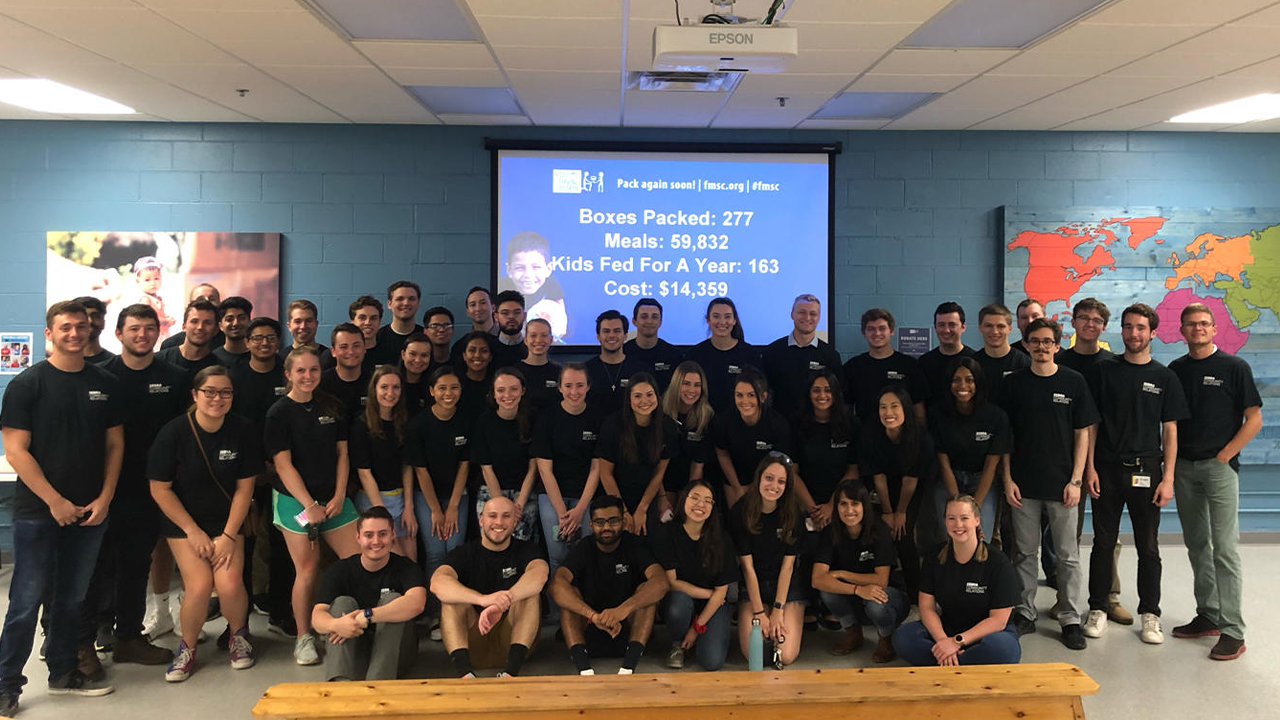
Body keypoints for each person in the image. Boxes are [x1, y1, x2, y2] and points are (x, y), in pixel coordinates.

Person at [0, 301, 123, 712]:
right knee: (25, 602)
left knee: (71, 599)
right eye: (66, 327)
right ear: (50, 333)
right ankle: (7, 685)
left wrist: (104, 499)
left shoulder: (104, 382)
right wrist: (54, 501)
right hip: (39, 513)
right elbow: (16, 450)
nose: (75, 333)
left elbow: (115, 444)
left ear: (91, 331)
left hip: (91, 512)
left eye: (82, 326)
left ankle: (63, 672)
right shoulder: (28, 384)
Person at [84, 304, 186, 672]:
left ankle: (128, 636)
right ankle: (86, 642)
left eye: (149, 328)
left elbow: (182, 436)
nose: (142, 335)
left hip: (151, 490)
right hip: (102, 490)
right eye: (134, 329)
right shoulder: (98, 376)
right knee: (96, 567)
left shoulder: (174, 378)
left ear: (158, 332)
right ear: (119, 334)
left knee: (135, 565)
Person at [1084, 303, 1189, 644]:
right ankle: (1098, 607)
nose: (1133, 333)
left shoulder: (1165, 377)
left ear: (1152, 333)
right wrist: (1089, 468)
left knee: (1149, 547)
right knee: (1102, 543)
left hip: (1148, 472)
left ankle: (1150, 614)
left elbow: (1170, 430)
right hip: (1107, 471)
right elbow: (1091, 425)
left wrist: (1168, 477)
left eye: (1141, 328)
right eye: (1128, 327)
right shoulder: (1104, 371)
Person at [148, 366, 258, 682]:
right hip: (184, 523)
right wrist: (192, 531)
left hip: (227, 522)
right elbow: (160, 489)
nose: (217, 398)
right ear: (196, 395)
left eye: (225, 392)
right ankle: (188, 648)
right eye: (209, 391)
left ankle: (238, 636)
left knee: (229, 583)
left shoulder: (244, 430)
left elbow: (244, 489)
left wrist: (227, 535)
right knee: (198, 586)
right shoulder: (173, 433)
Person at [1169, 303, 1263, 661]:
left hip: (1219, 468)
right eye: (1191, 324)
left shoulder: (1234, 367)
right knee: (1197, 545)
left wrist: (1225, 454)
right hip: (1184, 469)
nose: (1198, 329)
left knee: (1224, 548)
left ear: (1213, 329)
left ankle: (1233, 631)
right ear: (1182, 330)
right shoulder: (1176, 370)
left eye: (1204, 324)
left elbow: (1253, 418)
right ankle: (1207, 613)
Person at [1002, 318, 1095, 650]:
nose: (1041, 347)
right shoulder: (1013, 385)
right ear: (1025, 345)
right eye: (1035, 341)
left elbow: (1082, 433)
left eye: (1047, 342)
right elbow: (1005, 438)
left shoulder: (1074, 382)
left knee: (1067, 556)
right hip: (1023, 486)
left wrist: (1076, 480)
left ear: (1058, 345)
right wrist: (1008, 478)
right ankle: (1025, 613)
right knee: (1024, 553)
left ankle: (1070, 617)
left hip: (1063, 487)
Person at [264, 346, 361, 665]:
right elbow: (283, 465)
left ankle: (351, 624)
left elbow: (343, 455)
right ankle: (304, 637)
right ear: (288, 374)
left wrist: (337, 496)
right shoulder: (278, 413)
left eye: (314, 370)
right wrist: (310, 504)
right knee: (306, 569)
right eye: (301, 371)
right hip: (297, 502)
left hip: (334, 499)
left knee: (358, 561)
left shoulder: (332, 406)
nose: (308, 376)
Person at [1055, 297, 1129, 625]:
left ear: (1103, 326)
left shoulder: (1114, 365)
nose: (1089, 324)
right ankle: (1065, 599)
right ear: (1073, 323)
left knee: (1107, 534)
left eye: (1096, 320)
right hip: (1064, 463)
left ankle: (1108, 597)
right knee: (1067, 537)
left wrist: (1094, 466)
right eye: (1083, 318)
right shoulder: (1059, 361)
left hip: (1106, 463)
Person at [892, 495, 1021, 666]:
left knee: (1002, 649)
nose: (958, 525)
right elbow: (926, 607)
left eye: (964, 518)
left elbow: (998, 620)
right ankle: (962, 664)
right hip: (948, 630)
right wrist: (943, 641)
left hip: (989, 634)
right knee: (903, 637)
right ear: (944, 521)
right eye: (951, 518)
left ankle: (945, 664)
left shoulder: (998, 562)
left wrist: (956, 642)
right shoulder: (934, 557)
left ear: (976, 520)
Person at [550, 495, 669, 675]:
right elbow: (557, 584)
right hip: (590, 629)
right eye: (600, 521)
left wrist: (623, 609)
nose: (606, 527)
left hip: (628, 631)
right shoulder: (584, 547)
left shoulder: (634, 545)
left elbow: (661, 582)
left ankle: (628, 669)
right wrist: (593, 616)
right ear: (591, 525)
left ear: (623, 521)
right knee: (569, 593)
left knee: (646, 591)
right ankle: (584, 671)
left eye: (613, 521)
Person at [432, 497, 548, 678]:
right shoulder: (465, 552)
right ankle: (465, 675)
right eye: (492, 516)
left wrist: (501, 603)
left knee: (530, 596)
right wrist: (482, 600)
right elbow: (437, 583)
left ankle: (511, 674)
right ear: (481, 520)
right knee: (451, 600)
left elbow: (539, 575)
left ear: (515, 520)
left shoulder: (527, 550)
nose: (499, 522)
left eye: (506, 516)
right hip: (473, 644)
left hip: (512, 642)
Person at [311, 507, 428, 681]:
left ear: (393, 534)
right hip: (356, 653)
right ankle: (339, 685)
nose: (376, 541)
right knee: (342, 603)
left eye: (382, 534)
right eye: (368, 535)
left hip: (395, 656)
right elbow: (317, 616)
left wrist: (368, 615)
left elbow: (417, 603)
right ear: (358, 537)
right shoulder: (340, 570)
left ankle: (378, 686)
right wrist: (336, 624)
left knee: (394, 600)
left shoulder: (406, 568)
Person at [227, 317, 290, 633]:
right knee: (245, 543)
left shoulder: (288, 372)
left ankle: (281, 610)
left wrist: (276, 466)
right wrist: (254, 468)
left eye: (271, 338)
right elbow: (232, 427)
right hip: (245, 474)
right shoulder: (235, 377)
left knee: (282, 543)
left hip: (283, 472)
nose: (265, 343)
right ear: (248, 342)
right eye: (258, 338)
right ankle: (240, 618)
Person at [405, 366, 472, 634]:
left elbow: (465, 467)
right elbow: (420, 471)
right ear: (432, 391)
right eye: (442, 388)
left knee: (454, 552)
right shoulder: (418, 425)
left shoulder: (466, 421)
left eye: (454, 387)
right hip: (427, 497)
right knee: (434, 553)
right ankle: (435, 614)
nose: (448, 393)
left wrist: (453, 506)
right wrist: (435, 510)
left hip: (458, 496)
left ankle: (456, 610)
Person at [812, 481, 907, 662]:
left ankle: (886, 638)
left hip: (890, 596)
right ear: (836, 507)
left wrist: (841, 574)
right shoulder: (829, 532)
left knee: (875, 601)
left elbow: (881, 580)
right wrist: (857, 589)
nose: (849, 510)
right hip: (856, 594)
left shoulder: (879, 530)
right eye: (843, 504)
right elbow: (817, 579)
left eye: (855, 503)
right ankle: (852, 633)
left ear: (865, 506)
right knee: (827, 589)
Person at [860, 386, 934, 602]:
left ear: (906, 409)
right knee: (880, 532)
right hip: (880, 489)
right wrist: (887, 512)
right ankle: (880, 586)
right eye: (883, 407)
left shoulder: (920, 438)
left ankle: (915, 595)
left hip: (910, 488)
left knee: (903, 534)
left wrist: (900, 512)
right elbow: (878, 477)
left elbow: (910, 480)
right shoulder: (870, 432)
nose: (888, 412)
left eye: (894, 406)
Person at [534, 363, 603, 592]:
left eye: (580, 385)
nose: (574, 391)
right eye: (569, 385)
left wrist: (580, 509)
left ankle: (584, 611)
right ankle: (558, 614)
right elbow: (545, 470)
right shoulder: (547, 418)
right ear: (560, 388)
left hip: (586, 497)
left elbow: (596, 468)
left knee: (585, 554)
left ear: (588, 387)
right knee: (557, 556)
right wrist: (562, 512)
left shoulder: (597, 417)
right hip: (552, 496)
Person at [731, 453, 805, 666]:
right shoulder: (741, 511)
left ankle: (785, 626)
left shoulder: (793, 513)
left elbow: (788, 567)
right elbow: (747, 567)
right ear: (759, 478)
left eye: (781, 481)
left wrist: (778, 611)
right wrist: (759, 612)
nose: (774, 485)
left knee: (786, 655)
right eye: (769, 478)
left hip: (787, 587)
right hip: (754, 585)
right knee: (754, 655)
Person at [657, 479, 734, 671]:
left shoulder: (722, 538)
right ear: (683, 500)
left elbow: (721, 593)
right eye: (695, 498)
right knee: (679, 603)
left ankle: (697, 637)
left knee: (711, 662)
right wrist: (709, 594)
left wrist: (696, 629)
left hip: (714, 606)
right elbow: (672, 582)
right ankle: (677, 644)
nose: (701, 505)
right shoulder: (669, 533)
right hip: (682, 600)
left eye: (708, 501)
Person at [928, 357, 1007, 541]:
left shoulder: (995, 416)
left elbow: (991, 465)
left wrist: (973, 508)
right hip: (949, 478)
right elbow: (943, 463)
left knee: (980, 536)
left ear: (978, 382)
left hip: (982, 479)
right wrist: (957, 504)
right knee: (952, 534)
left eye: (969, 380)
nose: (962, 385)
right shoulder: (938, 414)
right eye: (956, 380)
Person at [596, 372, 680, 534]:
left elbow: (659, 473)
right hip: (614, 495)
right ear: (629, 399)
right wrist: (623, 512)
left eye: (650, 394)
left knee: (648, 539)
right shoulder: (612, 425)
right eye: (637, 396)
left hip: (647, 495)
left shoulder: (667, 426)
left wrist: (642, 508)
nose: (644, 401)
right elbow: (606, 474)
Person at [350, 366, 417, 561]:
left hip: (401, 500)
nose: (390, 393)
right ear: (374, 390)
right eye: (384, 387)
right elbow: (364, 473)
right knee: (391, 561)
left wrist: (409, 507)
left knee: (410, 562)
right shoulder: (361, 425)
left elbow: (407, 467)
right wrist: (383, 517)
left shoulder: (404, 422)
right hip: (372, 501)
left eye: (395, 387)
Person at [471, 367, 539, 541]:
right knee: (492, 541)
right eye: (501, 390)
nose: (507, 395)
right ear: (493, 393)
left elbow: (534, 467)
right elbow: (486, 468)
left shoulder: (533, 419)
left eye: (513, 389)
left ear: (522, 390)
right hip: (491, 491)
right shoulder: (484, 422)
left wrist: (518, 506)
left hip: (524, 493)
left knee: (520, 545)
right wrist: (501, 505)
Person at [711, 368, 792, 507]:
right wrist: (737, 488)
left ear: (763, 396)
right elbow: (722, 455)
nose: (745, 401)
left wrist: (757, 489)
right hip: (734, 480)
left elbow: (781, 464)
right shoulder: (724, 422)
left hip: (766, 482)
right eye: (739, 395)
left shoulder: (777, 425)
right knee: (737, 519)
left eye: (751, 395)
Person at [792, 370, 858, 531]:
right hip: (805, 502)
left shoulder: (851, 424)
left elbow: (853, 471)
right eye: (816, 390)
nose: (822, 395)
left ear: (836, 393)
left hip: (841, 501)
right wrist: (813, 510)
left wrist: (831, 506)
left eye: (828, 390)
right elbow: (791, 473)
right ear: (809, 393)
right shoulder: (796, 424)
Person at [842, 308, 929, 426]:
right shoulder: (852, 367)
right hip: (864, 439)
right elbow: (846, 409)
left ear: (891, 331)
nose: (877, 333)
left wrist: (918, 439)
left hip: (902, 439)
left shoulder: (909, 365)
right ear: (864, 333)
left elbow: (918, 410)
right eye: (871, 329)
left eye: (882, 328)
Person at [761, 293, 841, 421]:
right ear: (792, 314)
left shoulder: (830, 355)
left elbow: (837, 396)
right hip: (782, 425)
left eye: (813, 313)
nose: (807, 317)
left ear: (819, 317)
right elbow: (764, 393)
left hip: (816, 427)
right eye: (802, 312)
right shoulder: (773, 352)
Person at [685, 297, 760, 412]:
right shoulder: (695, 355)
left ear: (734, 320)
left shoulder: (750, 355)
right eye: (716, 316)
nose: (722, 322)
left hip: (740, 422)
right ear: (708, 320)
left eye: (727, 317)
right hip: (703, 422)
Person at [659, 361, 713, 514]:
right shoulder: (659, 411)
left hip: (690, 483)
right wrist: (662, 497)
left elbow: (698, 466)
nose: (692, 390)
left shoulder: (707, 417)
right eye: (686, 384)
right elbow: (655, 463)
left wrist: (688, 499)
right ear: (676, 384)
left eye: (697, 385)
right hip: (660, 483)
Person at [500, 231, 568, 340]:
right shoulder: (502, 289)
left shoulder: (552, 285)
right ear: (509, 270)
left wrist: (557, 329)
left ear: (548, 269)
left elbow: (561, 323)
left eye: (536, 267)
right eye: (520, 268)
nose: (528, 275)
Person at [585, 310, 646, 416]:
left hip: (630, 429)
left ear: (625, 335)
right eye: (606, 331)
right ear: (598, 336)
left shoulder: (640, 370)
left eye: (617, 331)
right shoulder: (585, 370)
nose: (612, 335)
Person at [973, 303, 1030, 407]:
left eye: (1000, 326)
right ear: (980, 327)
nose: (994, 331)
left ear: (1009, 328)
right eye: (988, 326)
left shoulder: (1024, 364)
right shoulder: (973, 365)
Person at [918, 301, 975, 404]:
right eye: (941, 325)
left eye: (952, 325)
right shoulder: (924, 363)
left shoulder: (975, 360)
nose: (946, 330)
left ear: (963, 327)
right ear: (935, 327)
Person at [624, 298, 683, 392]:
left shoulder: (674, 356)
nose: (649, 321)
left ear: (660, 322)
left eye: (654, 317)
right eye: (644, 316)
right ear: (634, 321)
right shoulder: (623, 353)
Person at [319, 323, 371, 424]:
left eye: (356, 346)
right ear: (333, 351)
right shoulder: (320, 384)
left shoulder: (374, 383)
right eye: (344, 347)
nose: (351, 352)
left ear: (365, 349)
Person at [156, 299, 221, 377]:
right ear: (184, 326)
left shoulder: (219, 368)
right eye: (194, 321)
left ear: (216, 330)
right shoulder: (159, 360)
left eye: (207, 323)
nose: (200, 327)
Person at [517, 318, 562, 411]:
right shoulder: (515, 372)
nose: (538, 340)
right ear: (525, 340)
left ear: (551, 339)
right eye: (533, 335)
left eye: (544, 335)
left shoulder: (560, 372)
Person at [160, 283, 221, 350]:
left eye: (212, 299)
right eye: (200, 299)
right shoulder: (170, 345)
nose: (206, 302)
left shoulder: (229, 343)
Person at [455, 331, 497, 429]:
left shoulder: (497, 387)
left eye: (484, 351)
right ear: (464, 355)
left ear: (491, 357)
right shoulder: (455, 384)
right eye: (472, 350)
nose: (477, 355)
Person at [376, 281, 423, 362]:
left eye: (411, 299)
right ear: (389, 304)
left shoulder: (425, 336)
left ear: (418, 303)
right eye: (400, 299)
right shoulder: (377, 338)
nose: (406, 303)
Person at [131, 256, 175, 340]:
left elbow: (158, 314)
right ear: (138, 281)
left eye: (156, 279)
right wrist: (166, 321)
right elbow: (146, 318)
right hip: (152, 337)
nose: (153, 283)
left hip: (162, 334)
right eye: (147, 280)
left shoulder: (157, 298)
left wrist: (166, 317)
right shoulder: (145, 299)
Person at [347, 295, 388, 369]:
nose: (368, 323)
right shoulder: (342, 355)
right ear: (352, 322)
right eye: (362, 318)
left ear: (379, 322)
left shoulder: (389, 355)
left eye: (373, 318)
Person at [73, 296, 116, 366]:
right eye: (84, 316)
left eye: (96, 316)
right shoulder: (60, 363)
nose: (90, 321)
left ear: (103, 323)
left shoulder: (114, 364)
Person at [397, 333, 433, 418]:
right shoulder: (391, 384)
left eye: (424, 355)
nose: (417, 360)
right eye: (413, 354)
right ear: (403, 354)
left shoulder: (434, 387)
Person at [492, 290, 528, 369]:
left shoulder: (531, 351)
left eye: (517, 312)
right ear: (496, 317)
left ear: (524, 316)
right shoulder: (488, 350)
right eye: (505, 313)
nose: (511, 317)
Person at [211, 296, 252, 367]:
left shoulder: (258, 357)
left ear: (249, 322)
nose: (236, 323)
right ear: (220, 326)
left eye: (242, 318)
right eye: (229, 319)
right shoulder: (212, 360)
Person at [420, 306, 456, 376]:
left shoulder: (460, 365)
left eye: (447, 325)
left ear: (453, 330)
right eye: (435, 325)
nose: (441, 330)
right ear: (425, 331)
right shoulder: (420, 365)